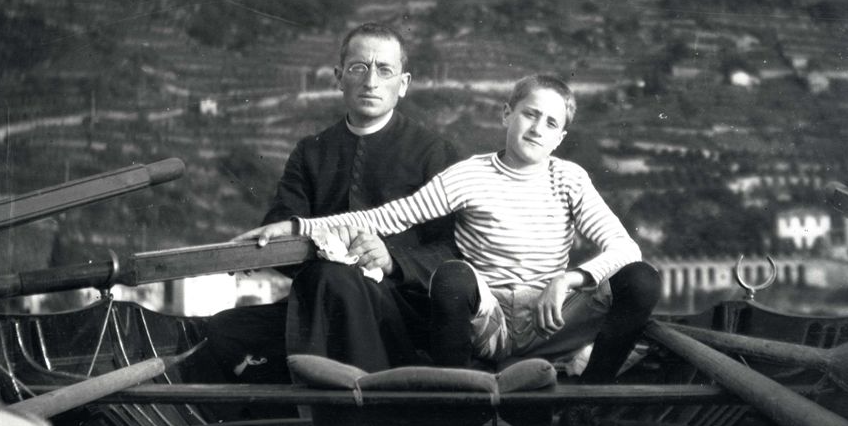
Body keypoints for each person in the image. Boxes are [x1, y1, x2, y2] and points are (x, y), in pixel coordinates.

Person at [243, 74, 660, 383]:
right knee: (453, 278)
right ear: (506, 114)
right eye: (529, 114)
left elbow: (625, 249)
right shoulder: (467, 176)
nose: (537, 128)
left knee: (640, 280)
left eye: (550, 123)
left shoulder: (569, 179)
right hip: (488, 322)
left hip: (553, 319)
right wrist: (296, 226)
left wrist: (569, 279)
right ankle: (460, 396)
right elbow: (384, 217)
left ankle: (593, 393)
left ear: (560, 137)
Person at [195, 23, 460, 388]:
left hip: (398, 309)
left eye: (385, 70)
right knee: (223, 330)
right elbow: (281, 227)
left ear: (404, 83)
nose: (371, 82)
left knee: (333, 279)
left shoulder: (434, 153)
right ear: (339, 77)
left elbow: (452, 251)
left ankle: (357, 420)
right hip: (318, 302)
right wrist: (273, 241)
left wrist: (391, 260)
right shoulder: (312, 151)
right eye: (358, 68)